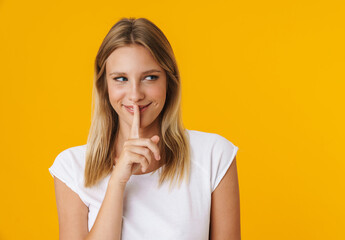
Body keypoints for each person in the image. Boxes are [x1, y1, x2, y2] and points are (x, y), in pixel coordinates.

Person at [49, 17, 240, 240]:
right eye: (121, 78)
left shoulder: (214, 155)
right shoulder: (71, 168)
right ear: (104, 86)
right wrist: (117, 182)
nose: (135, 94)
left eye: (150, 77)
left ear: (169, 81)